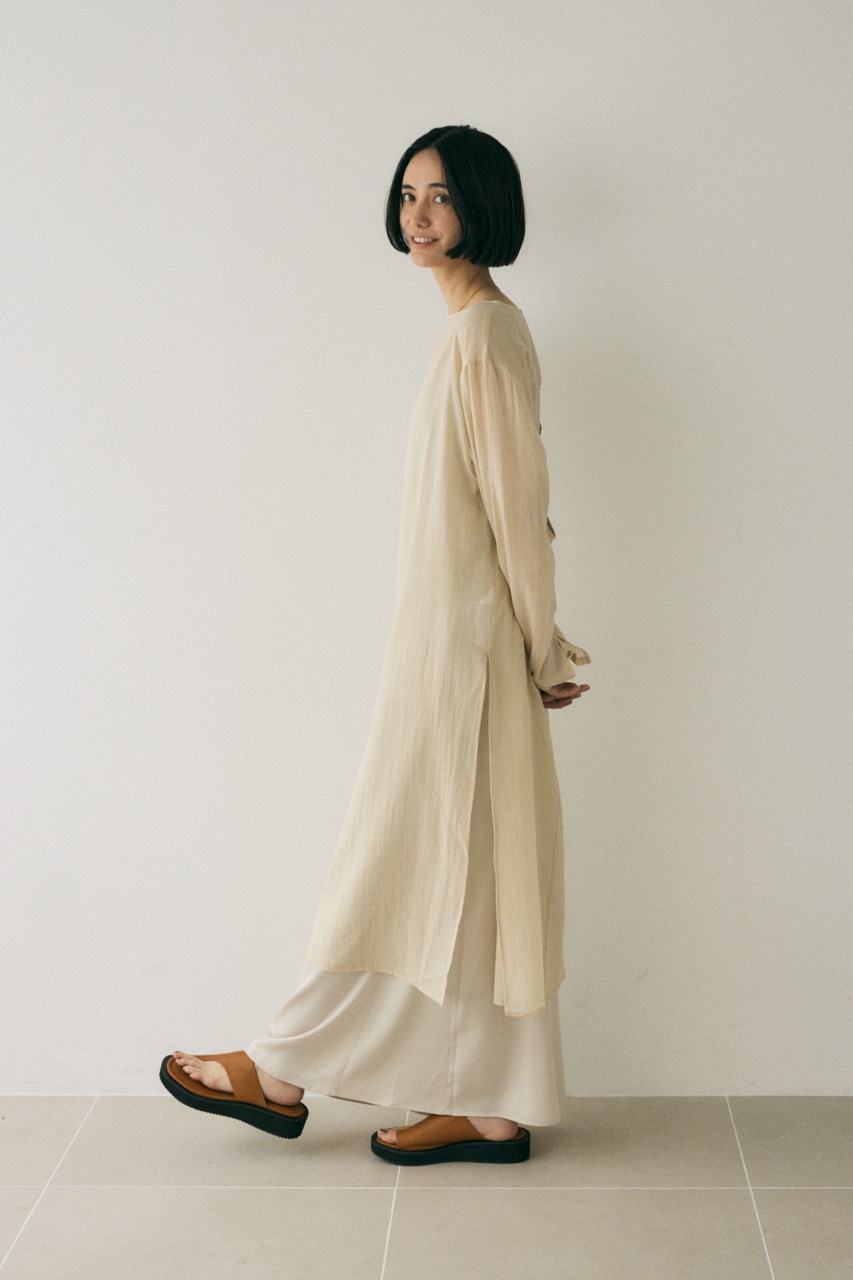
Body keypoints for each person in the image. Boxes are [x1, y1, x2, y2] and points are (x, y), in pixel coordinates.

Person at [160, 124, 590, 1166]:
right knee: (470, 871)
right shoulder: (472, 333)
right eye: (407, 195)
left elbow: (517, 510)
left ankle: (281, 1069)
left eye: (440, 196)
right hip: (455, 639)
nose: (419, 215)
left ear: (482, 206)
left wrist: (542, 650)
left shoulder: (483, 334)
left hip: (463, 651)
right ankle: (491, 1106)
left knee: (391, 857)